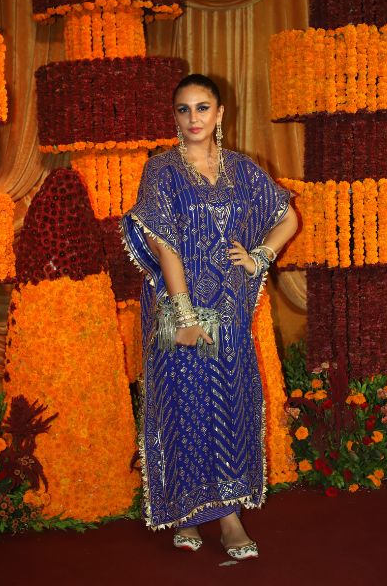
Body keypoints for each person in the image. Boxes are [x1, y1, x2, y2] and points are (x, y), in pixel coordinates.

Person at [119, 74, 298, 560]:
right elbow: (164, 244)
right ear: (174, 116)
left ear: (219, 114)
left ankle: (224, 512)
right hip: (177, 309)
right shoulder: (162, 171)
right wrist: (183, 317)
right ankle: (196, 513)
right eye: (184, 109)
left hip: (230, 312)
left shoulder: (242, 170)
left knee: (230, 403)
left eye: (202, 108)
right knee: (185, 407)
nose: (193, 118)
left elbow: (287, 217)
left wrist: (260, 257)